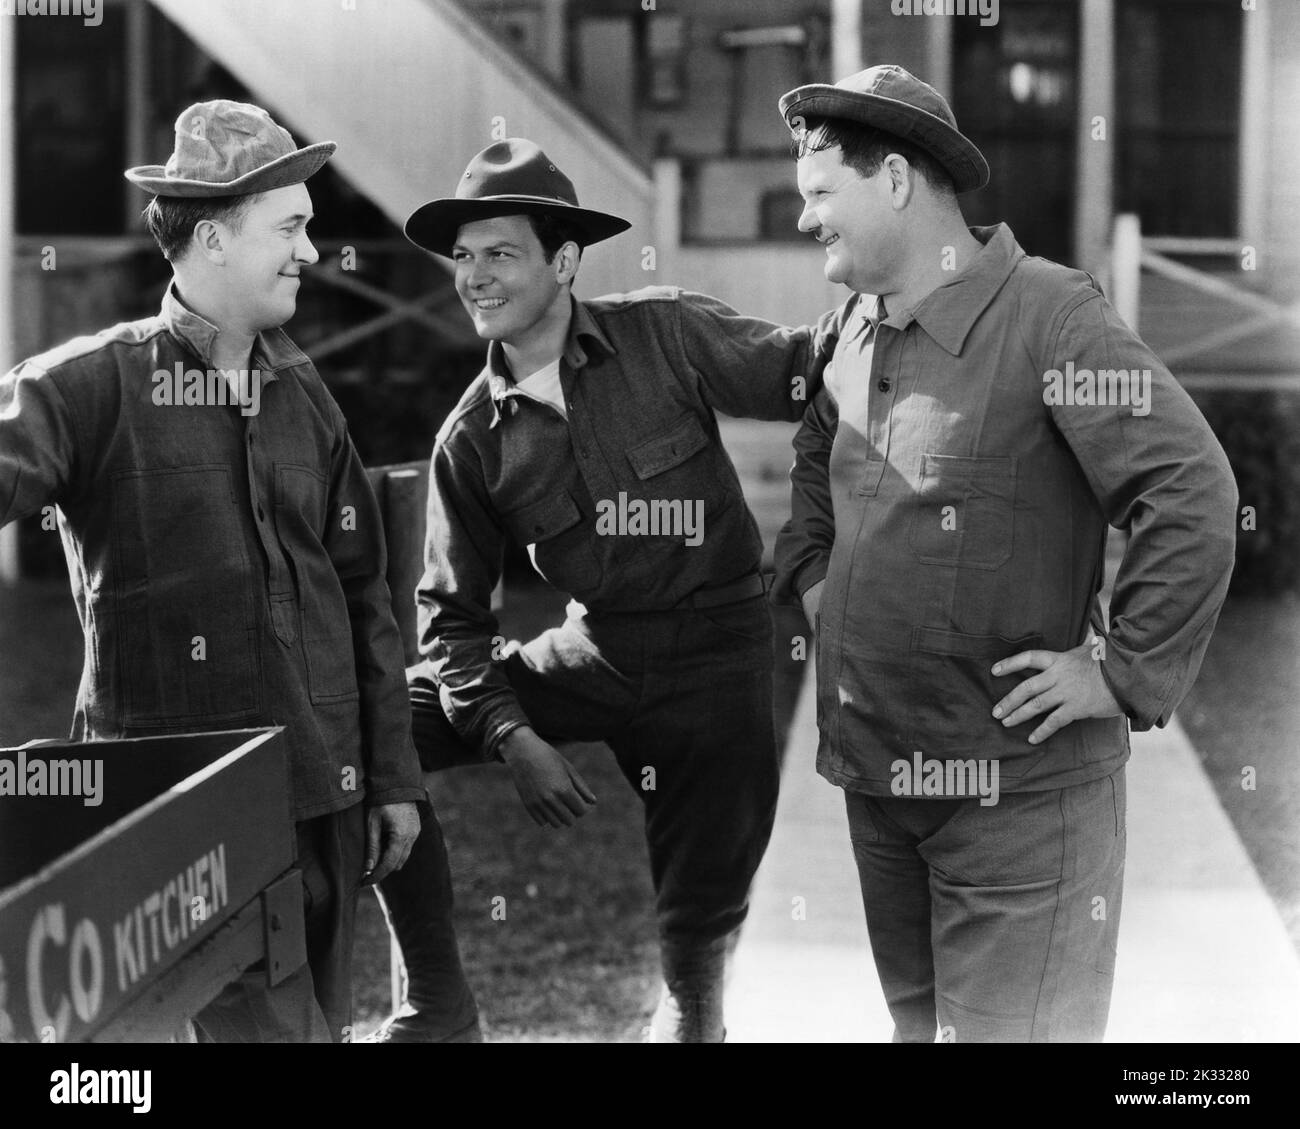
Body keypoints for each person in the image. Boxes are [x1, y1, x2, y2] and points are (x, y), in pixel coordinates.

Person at [772, 65, 1238, 1042]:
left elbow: (1189, 490)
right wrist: (813, 577)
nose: (805, 218)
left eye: (819, 193)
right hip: (877, 783)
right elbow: (818, 449)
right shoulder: (854, 327)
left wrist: (1123, 669)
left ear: (895, 179)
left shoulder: (1048, 316)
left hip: (1016, 806)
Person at [366, 137, 836, 1043]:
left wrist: (814, 532)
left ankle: (692, 1011)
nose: (474, 277)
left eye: (500, 252)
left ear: (566, 259)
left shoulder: (665, 332)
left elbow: (808, 371)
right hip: (598, 649)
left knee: (702, 917)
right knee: (378, 721)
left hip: (720, 650)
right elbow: (451, 621)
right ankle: (438, 1004)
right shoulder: (470, 437)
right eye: (463, 257)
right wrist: (512, 736)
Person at [0, 100, 425, 1042]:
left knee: (317, 1020)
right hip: (182, 821)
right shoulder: (88, 386)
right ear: (213, 238)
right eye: (291, 228)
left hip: (324, 799)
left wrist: (391, 778)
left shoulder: (305, 394)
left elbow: (364, 594)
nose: (313, 251)